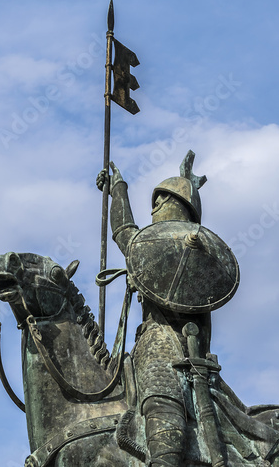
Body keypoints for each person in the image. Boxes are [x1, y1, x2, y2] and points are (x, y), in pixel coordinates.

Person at [97, 151, 211, 466]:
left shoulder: (192, 252)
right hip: (145, 345)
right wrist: (117, 189)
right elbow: (126, 234)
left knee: (162, 401)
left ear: (176, 205)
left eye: (160, 201)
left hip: (171, 348)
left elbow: (128, 237)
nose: (153, 208)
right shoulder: (155, 249)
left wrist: (119, 191)